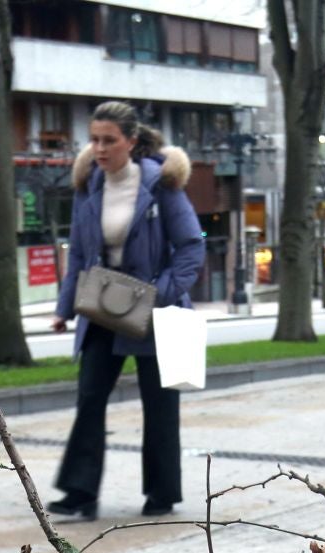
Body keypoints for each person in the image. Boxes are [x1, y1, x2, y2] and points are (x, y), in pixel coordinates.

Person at [49, 101, 205, 521]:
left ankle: (162, 493)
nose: (99, 148)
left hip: (155, 311)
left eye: (109, 140)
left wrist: (164, 293)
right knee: (89, 398)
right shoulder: (88, 187)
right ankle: (80, 492)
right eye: (94, 139)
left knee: (159, 406)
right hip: (102, 306)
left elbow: (192, 245)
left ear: (130, 142)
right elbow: (79, 254)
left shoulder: (161, 186)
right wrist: (65, 308)